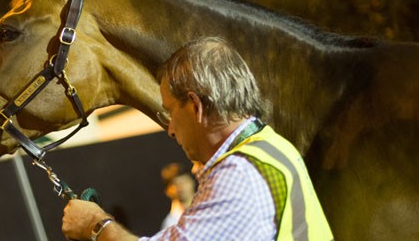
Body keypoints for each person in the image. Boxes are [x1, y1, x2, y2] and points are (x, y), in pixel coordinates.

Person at [61, 37, 333, 240]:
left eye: (170, 111)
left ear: (195, 106)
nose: (169, 129)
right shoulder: (268, 144)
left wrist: (95, 226)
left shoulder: (238, 174)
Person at [159, 163, 195, 230]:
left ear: (192, 182)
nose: (181, 187)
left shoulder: (210, 204)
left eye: (184, 181)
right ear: (167, 191)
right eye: (175, 184)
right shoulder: (170, 224)